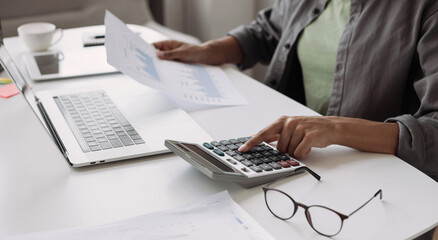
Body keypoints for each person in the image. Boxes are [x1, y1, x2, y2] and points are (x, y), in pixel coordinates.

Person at [152, 1, 438, 184]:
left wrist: (336, 127)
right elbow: (267, 31)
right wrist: (206, 50)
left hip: (373, 178)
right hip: (294, 160)